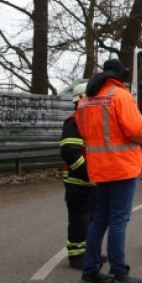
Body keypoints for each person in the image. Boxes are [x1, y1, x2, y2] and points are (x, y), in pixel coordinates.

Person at [76, 58, 142, 283]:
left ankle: (89, 272)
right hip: (122, 167)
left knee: (100, 219)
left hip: (99, 168)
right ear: (118, 74)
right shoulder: (120, 96)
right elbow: (137, 131)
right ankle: (119, 274)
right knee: (119, 220)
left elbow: (83, 131)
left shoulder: (86, 100)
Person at [60, 82, 99, 269]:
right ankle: (76, 256)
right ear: (82, 100)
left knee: (92, 219)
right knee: (79, 220)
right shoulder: (74, 122)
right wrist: (87, 172)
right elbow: (70, 152)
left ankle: (90, 253)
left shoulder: (91, 121)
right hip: (78, 181)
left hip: (93, 181)